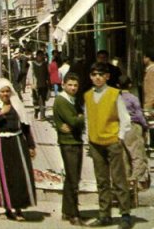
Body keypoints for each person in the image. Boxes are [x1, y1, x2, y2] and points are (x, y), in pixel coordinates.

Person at [84, 62, 133, 229]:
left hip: (112, 142)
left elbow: (125, 118)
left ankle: (125, 214)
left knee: (119, 179)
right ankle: (104, 215)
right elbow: (87, 118)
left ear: (107, 77)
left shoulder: (114, 94)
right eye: (94, 74)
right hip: (95, 142)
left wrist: (119, 138)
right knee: (102, 180)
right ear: (90, 77)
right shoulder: (88, 95)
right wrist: (88, 138)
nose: (97, 77)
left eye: (101, 74)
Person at [0, 77, 37, 221]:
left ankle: (19, 209)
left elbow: (25, 126)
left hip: (17, 142)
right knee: (3, 175)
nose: (6, 94)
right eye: (3, 92)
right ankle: (7, 208)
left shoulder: (17, 105)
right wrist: (2, 113)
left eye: (8, 91)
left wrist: (31, 145)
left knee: (19, 175)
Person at [53, 72, 85, 226]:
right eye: (70, 85)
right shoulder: (61, 101)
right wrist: (81, 117)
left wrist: (78, 120)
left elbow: (76, 122)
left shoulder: (74, 100)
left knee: (72, 177)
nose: (73, 88)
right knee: (73, 178)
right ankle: (74, 214)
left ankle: (66, 210)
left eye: (75, 85)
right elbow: (73, 120)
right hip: (68, 143)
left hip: (75, 140)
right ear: (63, 85)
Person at [118, 75, 150, 191]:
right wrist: (145, 126)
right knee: (137, 155)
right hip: (133, 126)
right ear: (130, 85)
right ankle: (137, 180)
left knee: (124, 156)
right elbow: (139, 115)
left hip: (120, 128)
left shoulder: (116, 98)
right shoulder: (133, 98)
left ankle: (126, 180)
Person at [30, 50, 50, 120]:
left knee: (43, 100)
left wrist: (49, 84)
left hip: (44, 85)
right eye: (39, 56)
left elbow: (47, 75)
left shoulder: (45, 64)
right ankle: (36, 112)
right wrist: (32, 84)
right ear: (37, 56)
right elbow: (30, 75)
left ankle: (42, 115)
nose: (40, 57)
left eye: (42, 56)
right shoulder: (32, 64)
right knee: (36, 101)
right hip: (36, 86)